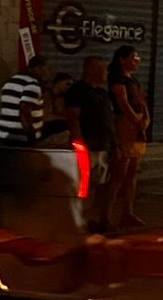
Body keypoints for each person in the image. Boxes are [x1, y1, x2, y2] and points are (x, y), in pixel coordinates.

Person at [65, 56, 117, 231]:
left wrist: (114, 144)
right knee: (82, 187)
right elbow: (73, 118)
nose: (106, 73)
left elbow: (109, 120)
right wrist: (79, 143)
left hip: (103, 147)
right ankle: (78, 221)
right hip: (87, 147)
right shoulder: (77, 92)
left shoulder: (102, 93)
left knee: (101, 185)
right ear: (92, 70)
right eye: (103, 69)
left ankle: (95, 218)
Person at [108, 46, 150, 228]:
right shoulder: (117, 80)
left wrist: (145, 119)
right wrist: (136, 121)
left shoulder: (133, 80)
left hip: (137, 125)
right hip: (125, 126)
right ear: (122, 59)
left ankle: (128, 212)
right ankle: (106, 214)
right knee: (120, 172)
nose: (137, 61)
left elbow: (141, 101)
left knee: (133, 171)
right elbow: (123, 104)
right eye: (134, 57)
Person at [0, 56, 51, 146]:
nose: (50, 73)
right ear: (38, 68)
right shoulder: (32, 84)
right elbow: (25, 110)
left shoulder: (12, 80)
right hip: (20, 139)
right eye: (48, 69)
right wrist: (31, 135)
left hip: (3, 136)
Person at [41, 72, 75, 139]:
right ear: (59, 82)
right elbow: (46, 117)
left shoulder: (64, 98)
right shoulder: (46, 96)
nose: (69, 87)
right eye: (67, 84)